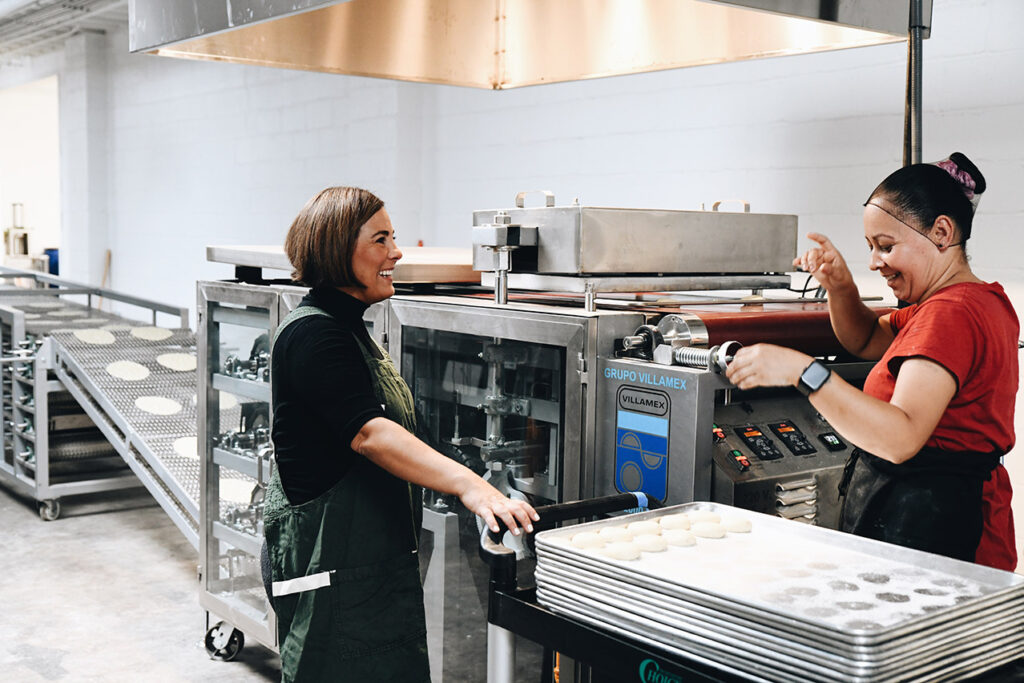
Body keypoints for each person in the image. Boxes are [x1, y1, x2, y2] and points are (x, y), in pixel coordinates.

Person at [264, 186, 539, 682]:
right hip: (334, 581)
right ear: (336, 249)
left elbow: (410, 431)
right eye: (380, 239)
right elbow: (369, 434)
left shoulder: (351, 331)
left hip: (369, 573)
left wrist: (485, 486)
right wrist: (469, 487)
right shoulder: (315, 335)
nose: (396, 252)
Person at [725, 153, 1018, 569]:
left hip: (941, 533)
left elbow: (900, 438)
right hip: (940, 524)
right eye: (870, 248)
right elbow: (866, 338)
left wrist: (801, 372)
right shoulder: (969, 302)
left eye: (886, 246)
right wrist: (841, 287)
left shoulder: (950, 313)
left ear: (941, 232)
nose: (875, 261)